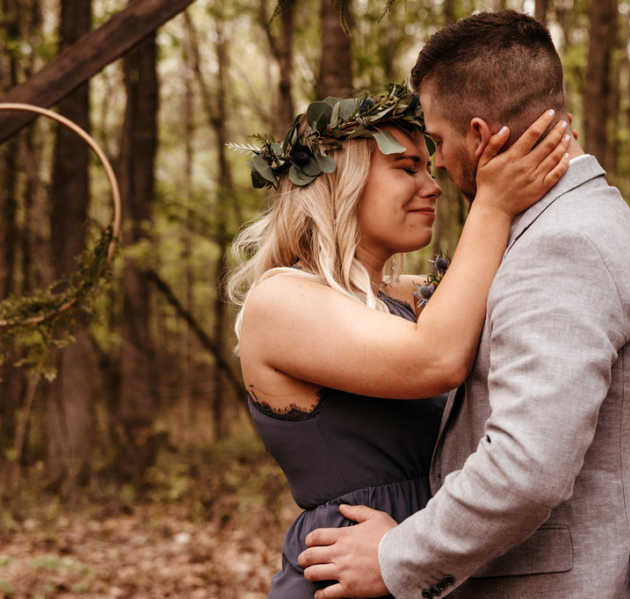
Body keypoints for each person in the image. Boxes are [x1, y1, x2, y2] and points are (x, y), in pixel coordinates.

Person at [298, 11, 630, 599]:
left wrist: (395, 556)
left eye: (437, 143)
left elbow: (526, 469)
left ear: (481, 136)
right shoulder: (586, 223)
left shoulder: (562, 246)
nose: (439, 166)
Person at [227, 82, 570, 599]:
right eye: (407, 168)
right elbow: (434, 360)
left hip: (437, 558)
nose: (433, 186)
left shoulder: (418, 297)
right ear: (342, 182)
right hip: (347, 571)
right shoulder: (280, 301)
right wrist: (493, 205)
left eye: (430, 168)